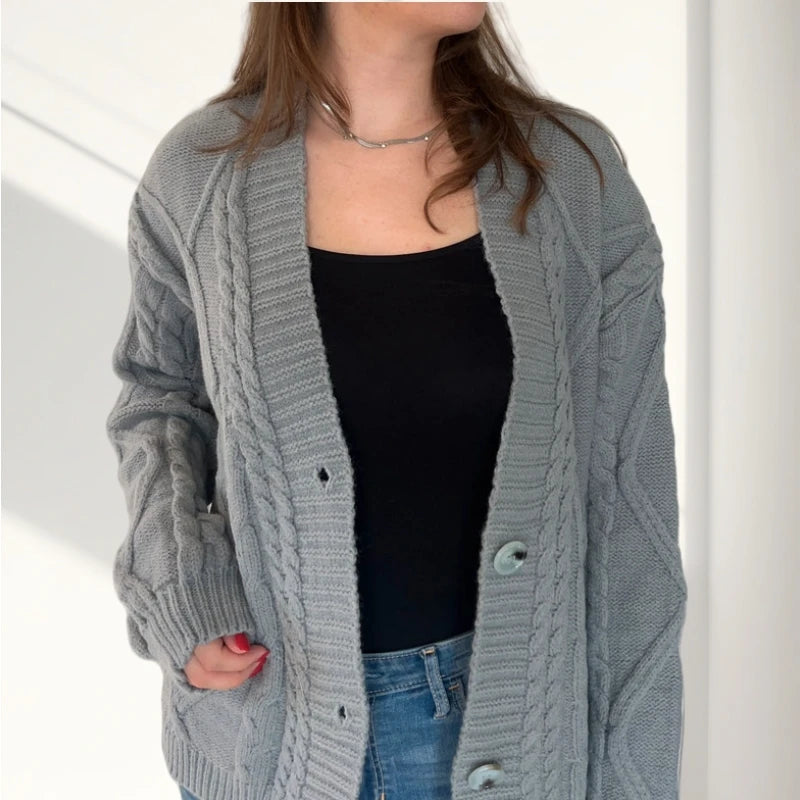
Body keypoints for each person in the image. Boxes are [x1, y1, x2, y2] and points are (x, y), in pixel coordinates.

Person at [106, 3, 688, 800]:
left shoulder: (569, 178)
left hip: (517, 724)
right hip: (273, 733)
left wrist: (634, 779)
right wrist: (184, 589)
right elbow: (161, 398)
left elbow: (631, 504)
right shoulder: (201, 174)